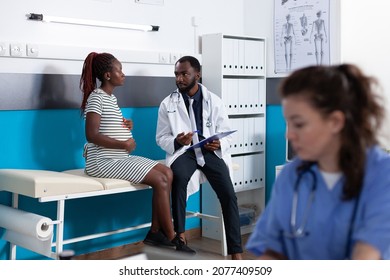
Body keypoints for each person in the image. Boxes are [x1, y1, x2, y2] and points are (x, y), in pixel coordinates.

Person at [246, 64, 390, 260]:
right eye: (288, 123)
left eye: (299, 124)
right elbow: (272, 249)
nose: (289, 134)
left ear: (335, 122)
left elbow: (366, 258)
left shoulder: (382, 175)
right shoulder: (292, 175)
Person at [79, 52, 178, 250]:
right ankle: (173, 237)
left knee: (167, 172)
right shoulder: (96, 98)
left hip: (118, 158)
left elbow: (106, 125)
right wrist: (123, 144)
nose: (123, 74)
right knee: (160, 180)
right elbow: (91, 135)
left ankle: (155, 233)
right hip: (103, 162)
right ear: (108, 75)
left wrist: (124, 124)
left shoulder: (110, 99)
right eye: (120, 70)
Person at [156, 56, 243, 259]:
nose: (179, 78)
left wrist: (219, 144)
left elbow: (227, 132)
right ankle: (181, 237)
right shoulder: (167, 103)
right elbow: (160, 137)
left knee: (229, 195)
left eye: (184, 74)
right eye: (177, 74)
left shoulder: (214, 101)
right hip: (184, 153)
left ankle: (236, 252)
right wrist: (178, 142)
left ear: (198, 74)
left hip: (208, 151)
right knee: (179, 181)